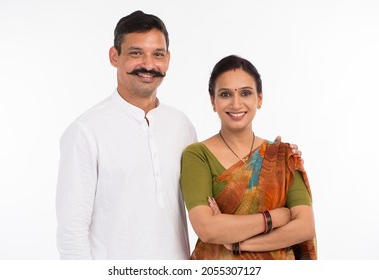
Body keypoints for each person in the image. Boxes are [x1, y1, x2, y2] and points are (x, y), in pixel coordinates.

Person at [56, 11, 303, 260]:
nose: (149, 64)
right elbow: (71, 233)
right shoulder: (86, 131)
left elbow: (219, 193)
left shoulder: (181, 125)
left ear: (168, 59)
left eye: (158, 54)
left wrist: (271, 163)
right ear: (114, 56)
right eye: (136, 53)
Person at [180, 55, 316, 260]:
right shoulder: (197, 155)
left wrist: (238, 244)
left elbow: (304, 226)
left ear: (259, 99)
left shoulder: (282, 156)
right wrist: (275, 217)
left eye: (245, 93)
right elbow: (208, 229)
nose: (236, 103)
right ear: (213, 101)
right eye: (225, 94)